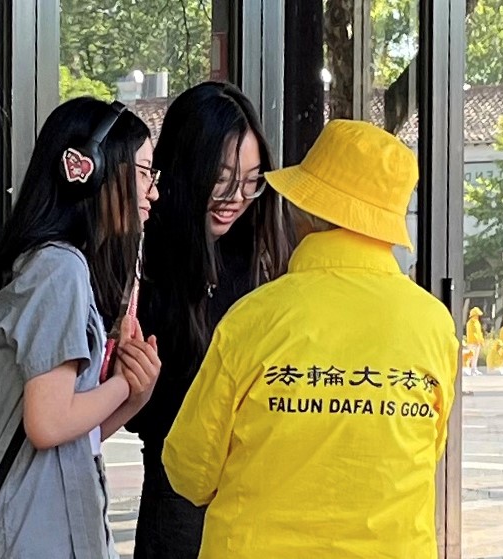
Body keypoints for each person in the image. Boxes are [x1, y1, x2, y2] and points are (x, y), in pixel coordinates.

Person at [162, 120, 459, 558]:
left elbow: (189, 471)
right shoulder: (434, 326)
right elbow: (427, 450)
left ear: (309, 213)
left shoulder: (255, 318)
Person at [0, 97, 162, 558]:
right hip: (36, 539)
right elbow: (48, 423)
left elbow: (73, 441)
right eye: (143, 173)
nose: (152, 192)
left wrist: (134, 396)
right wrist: (122, 385)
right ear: (94, 170)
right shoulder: (59, 269)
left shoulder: (52, 266)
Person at [126, 82, 295, 558]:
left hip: (259, 496)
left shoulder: (260, 256)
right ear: (184, 169)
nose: (236, 197)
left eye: (252, 181)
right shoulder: (143, 259)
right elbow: (143, 413)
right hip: (179, 499)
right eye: (221, 179)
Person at [466, 306, 485, 375]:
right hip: (472, 342)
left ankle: (474, 369)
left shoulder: (477, 322)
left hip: (477, 343)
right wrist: (477, 341)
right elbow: (473, 333)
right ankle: (470, 370)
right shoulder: (471, 322)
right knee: (471, 356)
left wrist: (481, 341)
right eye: (477, 315)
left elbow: (479, 332)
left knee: (475, 357)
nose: (478, 316)